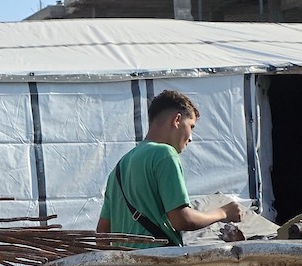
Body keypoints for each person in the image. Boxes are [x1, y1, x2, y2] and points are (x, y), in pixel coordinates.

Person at [97, 89, 242, 246]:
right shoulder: (165, 153)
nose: (191, 138)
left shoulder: (119, 168)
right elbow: (182, 219)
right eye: (191, 127)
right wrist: (223, 212)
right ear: (177, 120)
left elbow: (102, 235)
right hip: (156, 264)